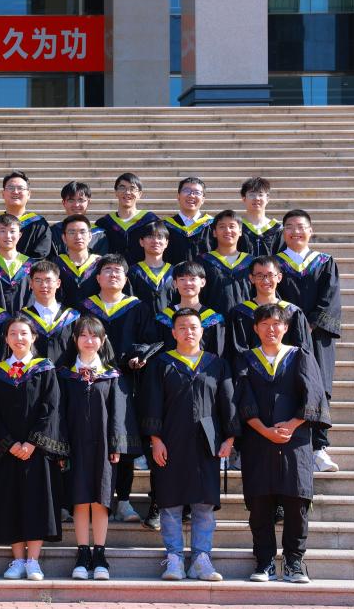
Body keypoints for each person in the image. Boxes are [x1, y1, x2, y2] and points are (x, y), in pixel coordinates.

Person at [233, 304, 330, 584]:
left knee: (296, 502)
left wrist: (292, 424)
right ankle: (264, 562)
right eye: (264, 324)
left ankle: (294, 562)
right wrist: (264, 429)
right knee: (260, 504)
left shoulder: (300, 356)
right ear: (255, 328)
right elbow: (241, 398)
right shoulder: (246, 359)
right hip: (257, 440)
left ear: (286, 327)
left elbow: (313, 394)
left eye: (276, 324)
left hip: (295, 441)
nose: (271, 329)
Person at [143, 308, 238, 582]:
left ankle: (200, 559)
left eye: (193, 327)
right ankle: (174, 558)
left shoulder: (216, 364)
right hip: (170, 441)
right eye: (182, 327)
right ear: (173, 332)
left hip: (207, 442)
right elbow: (151, 403)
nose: (188, 332)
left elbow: (228, 401)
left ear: (202, 330)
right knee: (170, 503)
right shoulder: (161, 364)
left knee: (204, 504)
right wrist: (155, 439)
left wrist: (230, 438)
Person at [80, 254, 158, 523]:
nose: (113, 275)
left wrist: (138, 356)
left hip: (125, 382)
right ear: (98, 277)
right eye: (107, 270)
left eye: (118, 271)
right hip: (90, 382)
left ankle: (123, 500)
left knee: (122, 440)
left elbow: (148, 340)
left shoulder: (138, 307)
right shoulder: (85, 307)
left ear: (126, 278)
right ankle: (89, 499)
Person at [0, 316, 65, 581]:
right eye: (13, 334)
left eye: (24, 333)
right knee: (10, 501)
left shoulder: (44, 368)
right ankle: (18, 559)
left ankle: (33, 561)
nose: (19, 338)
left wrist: (32, 442)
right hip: (7, 451)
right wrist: (9, 443)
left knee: (35, 502)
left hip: (37, 450)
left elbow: (51, 407)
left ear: (33, 337)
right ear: (6, 339)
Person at [58, 316, 135, 581]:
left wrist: (116, 445)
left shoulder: (112, 375)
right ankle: (82, 554)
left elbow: (118, 414)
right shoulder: (66, 375)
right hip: (75, 445)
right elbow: (60, 414)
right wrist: (61, 448)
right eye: (83, 335)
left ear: (103, 341)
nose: (89, 340)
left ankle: (100, 554)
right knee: (80, 499)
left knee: (101, 500)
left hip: (103, 446)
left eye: (94, 336)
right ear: (75, 339)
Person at [275, 209, 342, 473]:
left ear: (310, 231)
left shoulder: (325, 262)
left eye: (301, 226)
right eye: (289, 227)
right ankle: (290, 442)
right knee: (286, 387)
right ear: (283, 232)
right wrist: (289, 327)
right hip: (283, 335)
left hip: (317, 337)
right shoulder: (274, 264)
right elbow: (272, 296)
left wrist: (309, 325)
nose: (295, 231)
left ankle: (318, 447)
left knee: (319, 387)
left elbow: (329, 299)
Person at [227, 256, 311, 362]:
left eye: (270, 275)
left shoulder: (293, 313)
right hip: (249, 371)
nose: (266, 280)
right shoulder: (240, 313)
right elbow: (237, 353)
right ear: (251, 278)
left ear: (279, 277)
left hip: (288, 371)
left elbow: (303, 353)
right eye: (260, 276)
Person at [155, 262, 226, 358]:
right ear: (175, 283)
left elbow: (218, 354)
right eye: (182, 279)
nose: (187, 283)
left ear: (202, 282)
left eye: (193, 279)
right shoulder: (163, 318)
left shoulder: (214, 319)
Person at [20, 261, 81, 367]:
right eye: (38, 280)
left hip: (66, 375)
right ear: (31, 284)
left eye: (48, 280)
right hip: (32, 375)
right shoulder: (22, 318)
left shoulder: (72, 317)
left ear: (58, 283)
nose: (43, 285)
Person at [95, 172, 159, 264]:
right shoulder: (104, 223)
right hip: (113, 272)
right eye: (122, 188)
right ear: (116, 192)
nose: (127, 192)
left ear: (140, 194)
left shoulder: (151, 221)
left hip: (143, 272)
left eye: (132, 188)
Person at [199, 210, 254, 316]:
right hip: (214, 321)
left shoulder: (251, 262)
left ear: (240, 231)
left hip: (246, 320)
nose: (227, 230)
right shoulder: (203, 261)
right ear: (214, 232)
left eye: (232, 226)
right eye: (222, 227)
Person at [0, 170, 52, 259]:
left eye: (20, 188)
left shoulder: (39, 224)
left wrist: (22, 267)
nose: (15, 192)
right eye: (10, 188)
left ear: (29, 194)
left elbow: (41, 256)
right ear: (3, 194)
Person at [0, 213, 34, 313]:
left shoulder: (30, 266)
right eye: (2, 231)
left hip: (24, 320)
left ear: (19, 235)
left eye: (12, 231)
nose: (8, 236)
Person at [52, 214, 102, 309]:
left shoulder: (101, 264)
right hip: (64, 316)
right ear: (64, 238)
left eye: (82, 232)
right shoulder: (55, 264)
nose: (78, 237)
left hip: (95, 316)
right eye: (72, 232)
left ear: (90, 236)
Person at [125, 222, 175, 314]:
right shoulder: (133, 272)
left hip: (169, 321)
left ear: (166, 243)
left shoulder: (174, 272)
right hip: (141, 321)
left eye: (160, 237)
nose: (155, 241)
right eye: (150, 236)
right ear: (141, 242)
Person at [163, 177, 215, 264]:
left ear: (203, 199)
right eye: (186, 191)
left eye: (197, 192)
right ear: (178, 196)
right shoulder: (165, 226)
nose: (191, 195)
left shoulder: (213, 225)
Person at [51, 182, 108, 255]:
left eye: (81, 200)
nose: (76, 205)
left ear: (88, 202)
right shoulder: (54, 232)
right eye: (71, 200)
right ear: (64, 203)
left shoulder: (99, 235)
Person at [237, 177, 283, 257]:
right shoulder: (237, 227)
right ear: (244, 198)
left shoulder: (278, 229)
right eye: (252, 194)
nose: (257, 198)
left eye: (260, 195)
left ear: (267, 199)